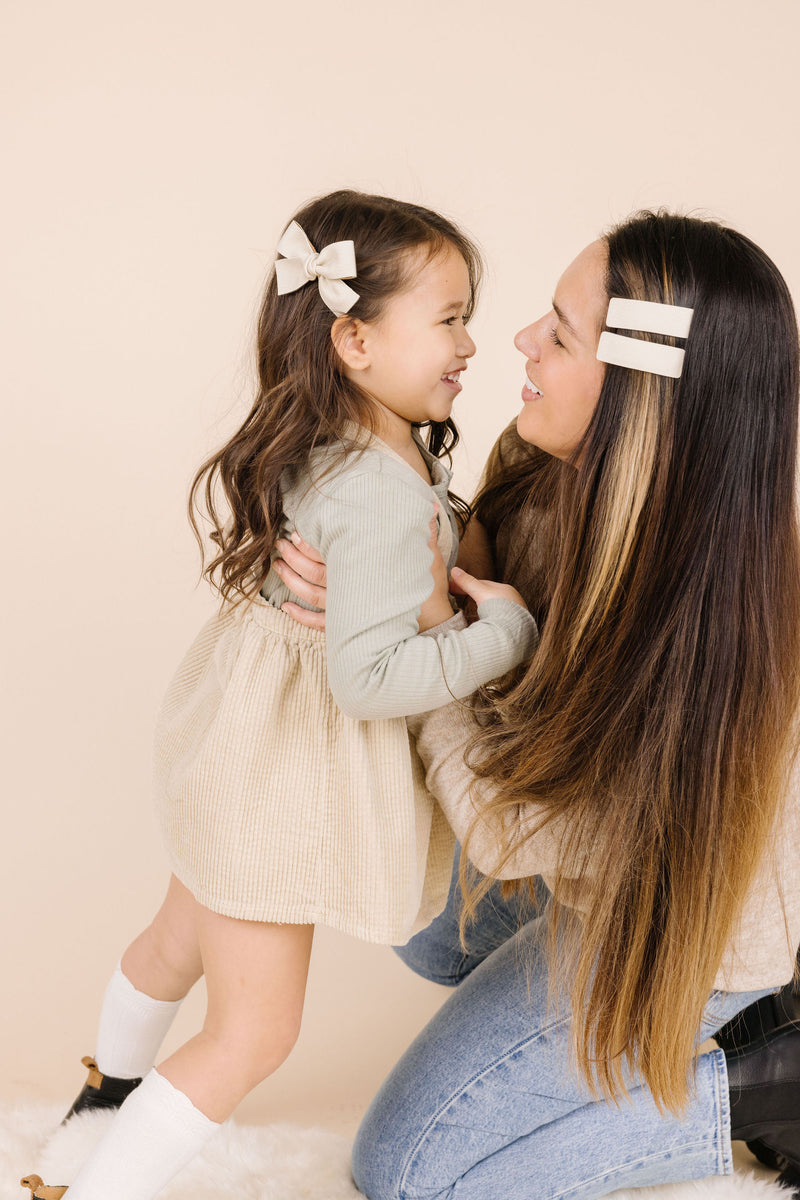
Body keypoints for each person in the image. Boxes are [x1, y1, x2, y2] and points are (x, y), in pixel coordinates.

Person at [20, 190, 538, 1200]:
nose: (470, 342)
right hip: (279, 786)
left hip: (230, 748)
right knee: (253, 1031)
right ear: (352, 338)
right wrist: (505, 632)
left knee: (175, 946)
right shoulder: (378, 487)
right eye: (447, 318)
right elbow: (371, 678)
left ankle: (102, 1098)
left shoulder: (333, 441)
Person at [276, 211, 800, 1197]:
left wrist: (426, 639)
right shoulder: (549, 475)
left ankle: (763, 1080)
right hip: (590, 860)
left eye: (558, 334)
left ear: (640, 396)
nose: (518, 340)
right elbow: (464, 582)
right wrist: (356, 570)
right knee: (408, 899)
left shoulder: (705, 619)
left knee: (407, 1172)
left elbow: (515, 837)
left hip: (677, 919)